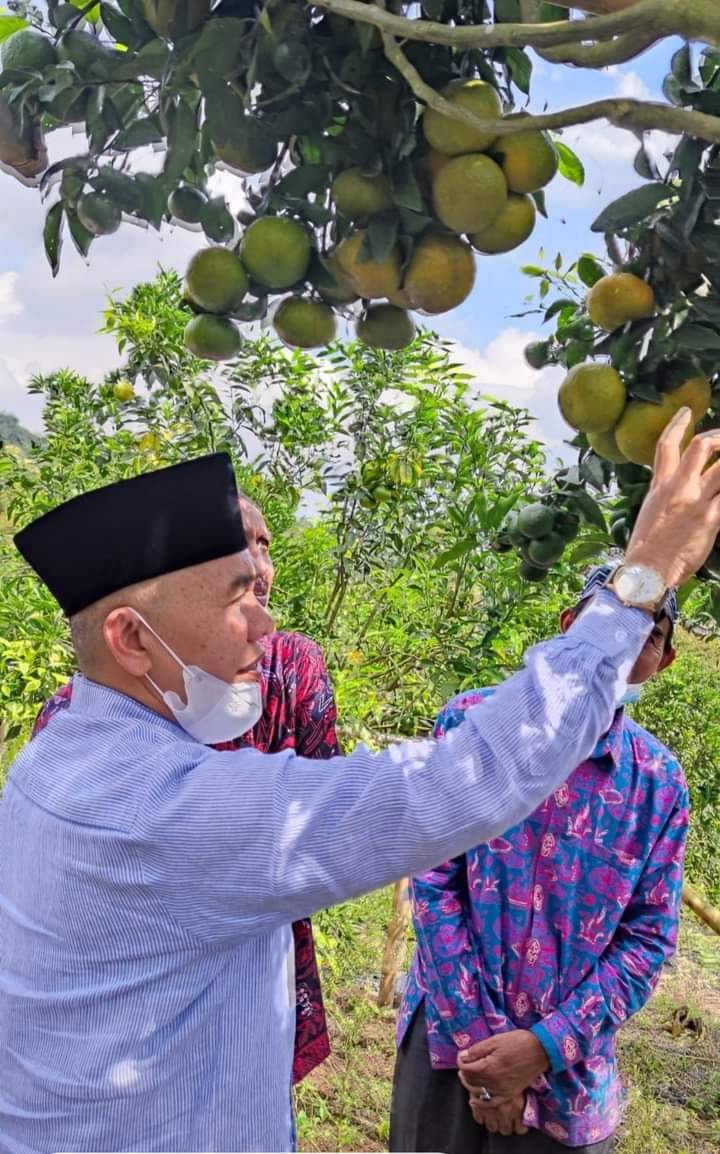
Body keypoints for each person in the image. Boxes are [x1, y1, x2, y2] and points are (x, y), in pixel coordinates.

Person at [1, 409, 718, 1153]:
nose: (264, 626)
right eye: (235, 597)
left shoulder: (58, 760)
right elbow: (453, 787)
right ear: (130, 639)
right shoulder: (157, 810)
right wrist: (639, 584)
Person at [30, 489, 338, 1086]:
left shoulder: (293, 666)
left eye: (264, 546)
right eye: (236, 550)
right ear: (136, 637)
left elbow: (330, 809)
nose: (257, 567)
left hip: (254, 961)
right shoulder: (69, 723)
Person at [390, 564, 687, 1154]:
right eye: (612, 623)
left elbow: (649, 939)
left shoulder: (659, 784)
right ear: (570, 626)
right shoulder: (473, 722)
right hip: (450, 1041)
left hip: (570, 1077)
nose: (627, 647)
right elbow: (433, 882)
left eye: (650, 636)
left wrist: (542, 1048)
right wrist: (486, 1059)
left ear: (666, 662)